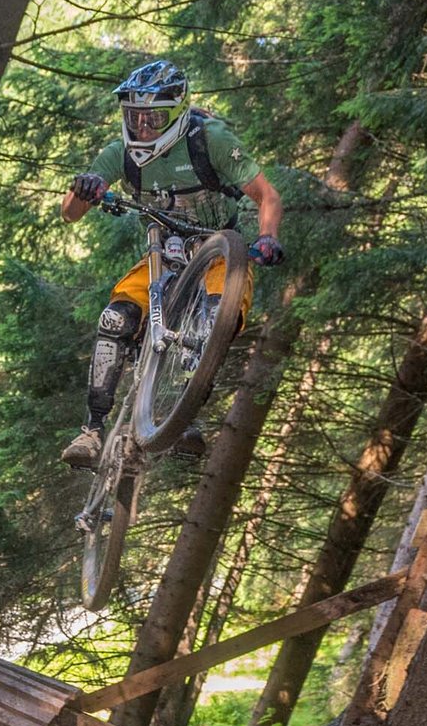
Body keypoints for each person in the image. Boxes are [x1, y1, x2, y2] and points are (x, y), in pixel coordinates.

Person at [58, 60, 284, 469]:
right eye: (134, 117)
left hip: (216, 250)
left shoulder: (209, 140)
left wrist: (268, 236)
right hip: (162, 254)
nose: (143, 127)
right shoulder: (119, 154)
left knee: (218, 318)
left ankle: (182, 417)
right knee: (115, 318)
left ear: (178, 112)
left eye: (154, 118)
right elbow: (70, 213)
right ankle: (91, 431)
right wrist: (84, 189)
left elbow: (266, 195)